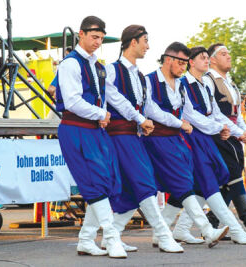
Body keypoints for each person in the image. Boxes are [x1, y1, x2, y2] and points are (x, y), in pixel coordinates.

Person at [104, 25, 183, 254]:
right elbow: (116, 100)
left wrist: (177, 123)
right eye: (145, 41)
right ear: (132, 42)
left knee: (131, 190)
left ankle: (113, 236)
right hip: (118, 136)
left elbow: (151, 108)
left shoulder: (140, 75)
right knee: (145, 183)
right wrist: (140, 118)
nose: (148, 46)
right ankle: (163, 235)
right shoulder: (111, 69)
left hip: (133, 136)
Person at [143, 42, 228, 248]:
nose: (184, 68)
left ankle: (160, 232)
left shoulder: (180, 85)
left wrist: (185, 123)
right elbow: (151, 110)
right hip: (156, 139)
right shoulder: (149, 80)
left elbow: (186, 109)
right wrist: (180, 123)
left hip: (175, 139)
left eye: (185, 63)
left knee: (182, 184)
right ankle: (207, 230)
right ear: (169, 59)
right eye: (181, 63)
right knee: (178, 184)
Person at [56, 16, 125, 258]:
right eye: (94, 37)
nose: (98, 42)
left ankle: (86, 239)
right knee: (94, 182)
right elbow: (73, 101)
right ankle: (111, 237)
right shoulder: (69, 64)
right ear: (81, 34)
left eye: (101, 39)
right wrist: (101, 113)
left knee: (106, 181)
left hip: (95, 129)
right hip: (75, 129)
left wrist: (106, 115)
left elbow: (106, 97)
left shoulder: (97, 65)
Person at [174, 46, 246, 245]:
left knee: (203, 184)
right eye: (202, 58)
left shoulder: (204, 85)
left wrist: (236, 131)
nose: (206, 61)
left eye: (206, 58)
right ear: (191, 62)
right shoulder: (183, 83)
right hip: (193, 137)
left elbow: (215, 113)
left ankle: (180, 228)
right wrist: (217, 128)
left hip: (207, 138)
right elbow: (191, 115)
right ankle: (235, 230)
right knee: (209, 182)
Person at [203, 44, 246, 242]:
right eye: (223, 54)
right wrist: (239, 132)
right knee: (234, 180)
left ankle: (213, 223)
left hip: (233, 135)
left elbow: (236, 113)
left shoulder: (230, 83)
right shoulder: (208, 81)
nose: (229, 57)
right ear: (212, 59)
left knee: (226, 183)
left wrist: (245, 131)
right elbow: (215, 114)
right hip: (219, 135)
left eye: (228, 53)